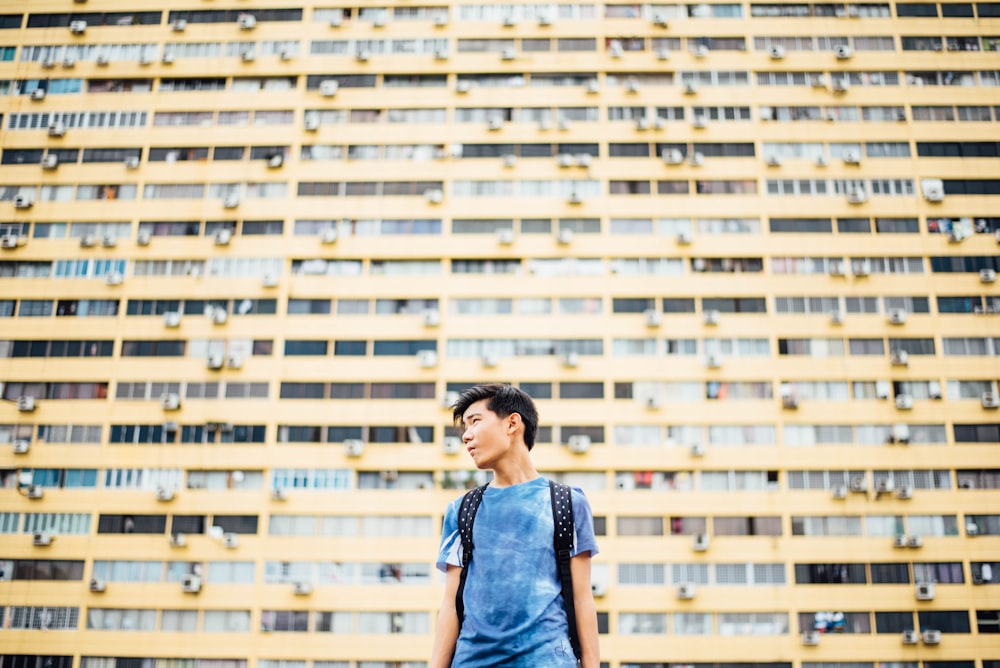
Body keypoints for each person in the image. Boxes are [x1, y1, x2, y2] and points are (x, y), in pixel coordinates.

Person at [430, 383, 600, 667]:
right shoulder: (461, 510)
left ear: (512, 423)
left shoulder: (568, 503)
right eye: (464, 428)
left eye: (475, 422)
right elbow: (450, 604)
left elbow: (583, 599)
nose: (466, 436)